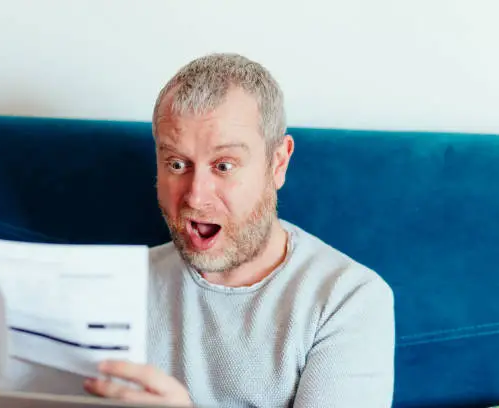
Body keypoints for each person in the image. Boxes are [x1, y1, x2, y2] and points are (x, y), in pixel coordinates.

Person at [83, 53, 395, 407]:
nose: (196, 197)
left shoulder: (347, 299)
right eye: (177, 164)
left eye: (224, 165)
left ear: (277, 164)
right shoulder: (115, 286)